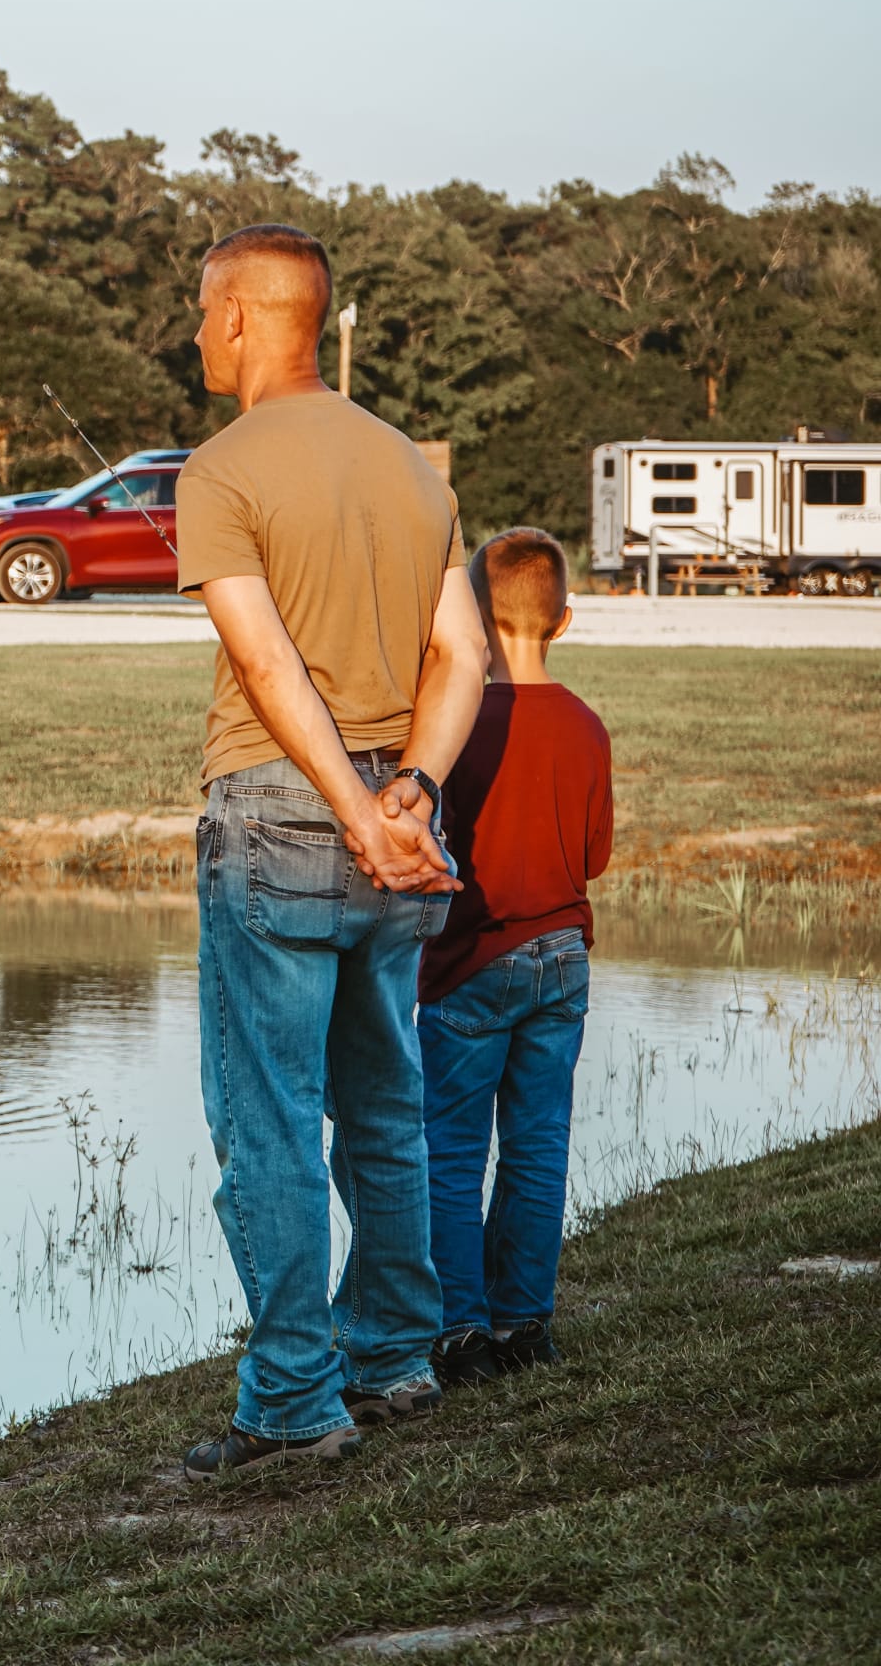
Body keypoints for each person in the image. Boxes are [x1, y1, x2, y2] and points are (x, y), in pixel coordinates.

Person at [174, 223, 488, 1478]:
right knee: (383, 1105)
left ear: (247, 318)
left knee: (265, 1124)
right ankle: (397, 1352)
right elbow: (459, 653)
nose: (196, 335)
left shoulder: (221, 467)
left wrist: (357, 817)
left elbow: (263, 662)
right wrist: (408, 793)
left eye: (203, 315)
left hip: (282, 819)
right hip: (405, 823)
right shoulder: (411, 464)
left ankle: (296, 1393)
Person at [417, 529, 612, 1384]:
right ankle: (525, 1324)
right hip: (563, 957)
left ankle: (460, 1333)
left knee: (451, 1153)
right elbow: (594, 856)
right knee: (538, 1146)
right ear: (561, 621)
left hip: (474, 966)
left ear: (474, 620)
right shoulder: (586, 725)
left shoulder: (457, 727)